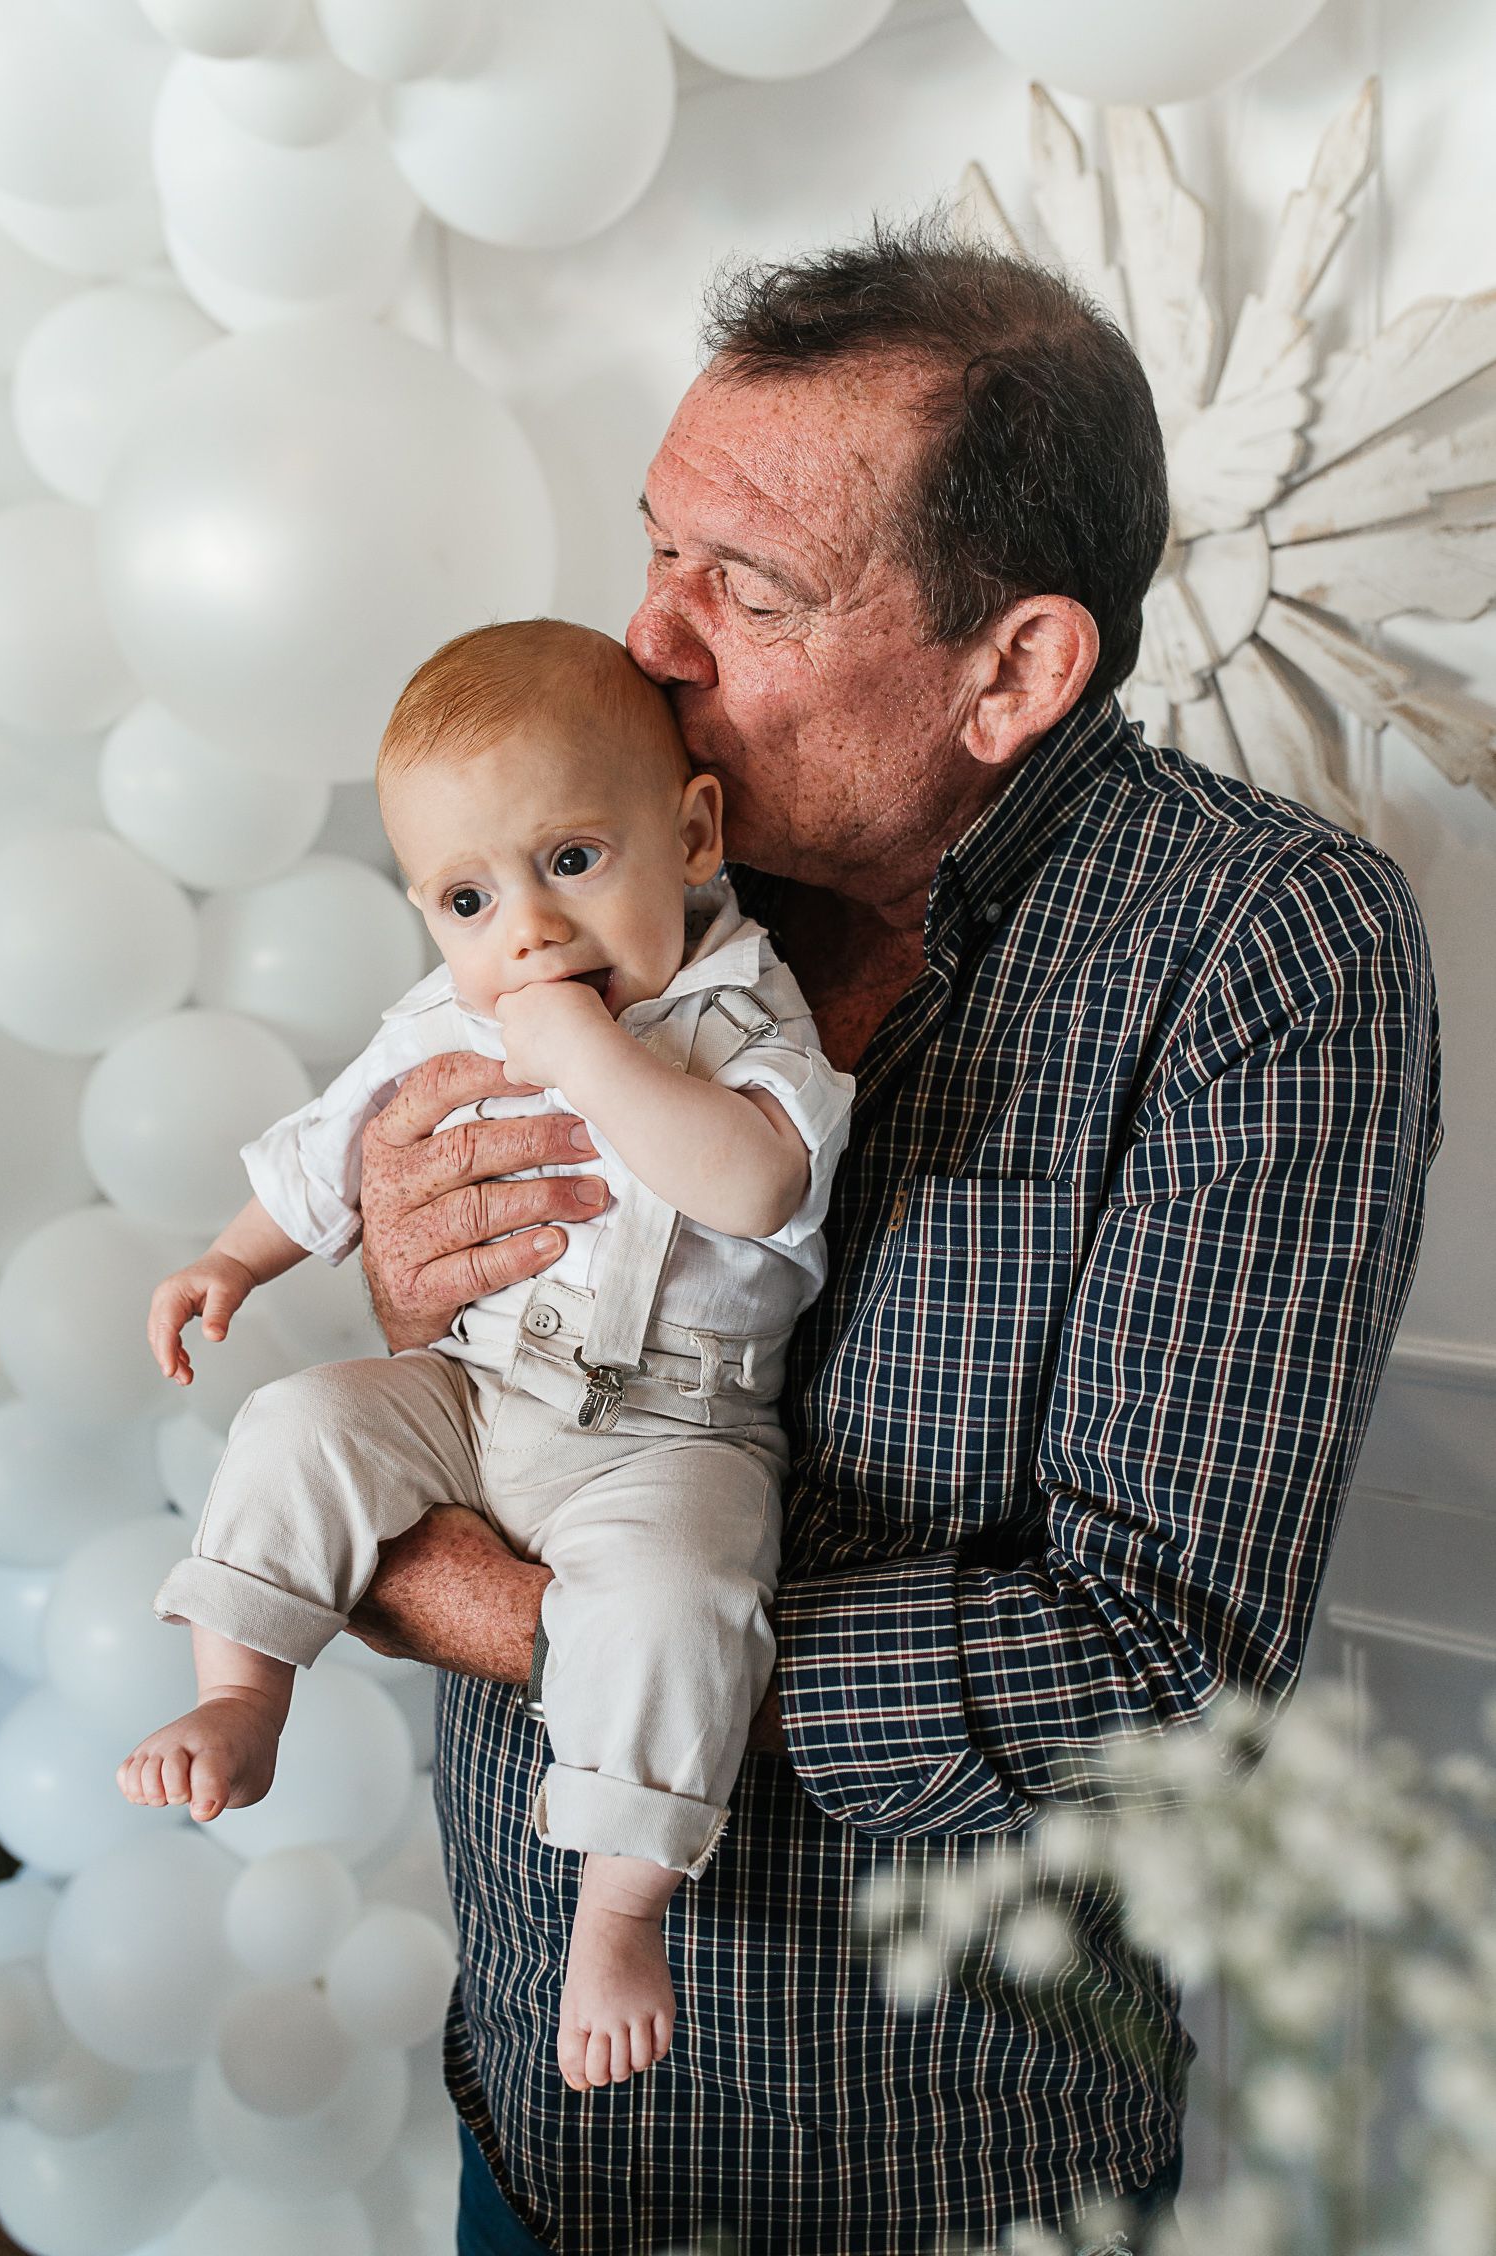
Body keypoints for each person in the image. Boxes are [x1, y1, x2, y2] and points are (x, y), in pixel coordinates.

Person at [344, 225, 1443, 2255]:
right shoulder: (616, 858)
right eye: (654, 545)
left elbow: (1153, 1673)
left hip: (916, 2173)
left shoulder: (1259, 951)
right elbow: (484, 1316)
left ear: (1014, 668)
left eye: (741, 592)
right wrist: (420, 1287)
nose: (638, 639)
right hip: (531, 2100)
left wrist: (513, 1618)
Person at [116, 619, 854, 2093]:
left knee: (676, 1603)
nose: (526, 930)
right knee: (300, 1423)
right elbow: (330, 1151)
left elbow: (757, 1183)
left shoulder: (745, 1014)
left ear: (691, 832)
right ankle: (242, 1687)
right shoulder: (448, 1015)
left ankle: (622, 1903)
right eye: (469, 897)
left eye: (571, 860)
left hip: (674, 1435)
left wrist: (595, 1059)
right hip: (476, 1387)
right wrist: (233, 1258)